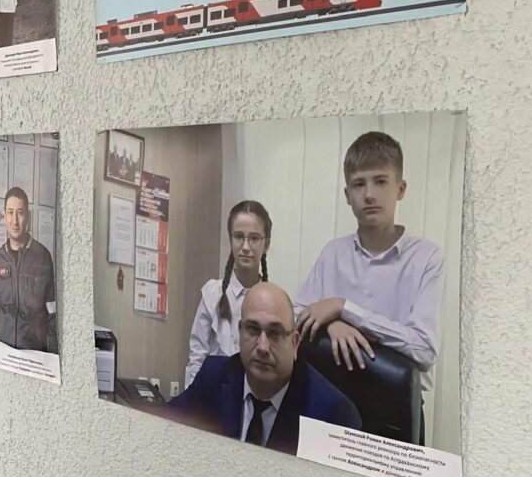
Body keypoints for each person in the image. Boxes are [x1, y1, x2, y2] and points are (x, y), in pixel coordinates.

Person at [295, 131, 445, 385]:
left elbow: (424, 349)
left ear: (400, 189)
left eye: (380, 181)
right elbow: (294, 314)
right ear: (347, 195)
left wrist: (344, 308)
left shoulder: (427, 258)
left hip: (393, 400)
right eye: (358, 184)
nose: (369, 195)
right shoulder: (333, 253)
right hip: (331, 391)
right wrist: (331, 325)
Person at [163, 282, 362, 454]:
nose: (262, 347)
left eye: (275, 333)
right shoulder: (214, 376)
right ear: (240, 333)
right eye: (252, 329)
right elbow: (163, 427)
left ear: (294, 343)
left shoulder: (334, 414)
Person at [184, 201, 272, 389]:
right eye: (239, 237)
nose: (246, 246)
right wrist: (191, 403)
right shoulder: (212, 294)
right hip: (214, 396)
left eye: (254, 238)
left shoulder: (273, 302)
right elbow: (197, 358)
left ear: (266, 244)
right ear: (231, 240)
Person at [0, 187, 57, 352]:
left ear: (28, 216)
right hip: (3, 350)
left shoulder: (43, 257)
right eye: (10, 213)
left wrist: (53, 355)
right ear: (4, 216)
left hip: (34, 353)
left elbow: (53, 314)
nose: (15, 221)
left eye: (20, 213)